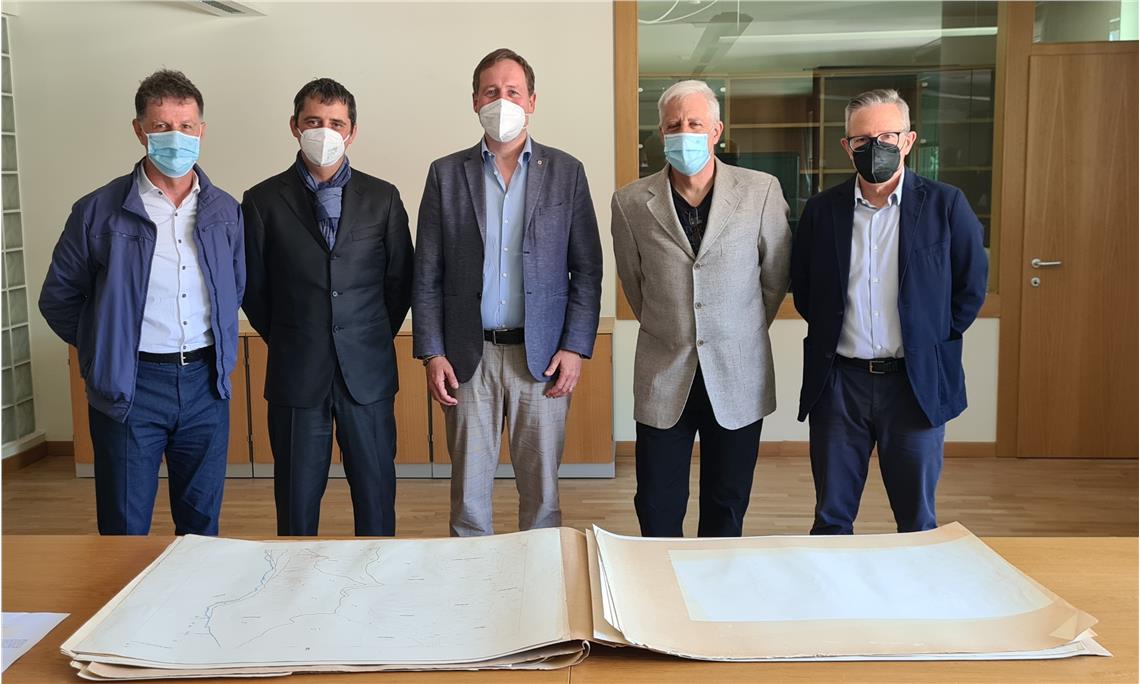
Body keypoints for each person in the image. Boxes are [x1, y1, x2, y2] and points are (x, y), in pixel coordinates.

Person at [39, 69, 244, 535]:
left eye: (186, 126)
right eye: (161, 126)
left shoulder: (224, 210)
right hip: (131, 386)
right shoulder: (96, 211)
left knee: (201, 529)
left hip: (206, 385)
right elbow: (58, 297)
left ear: (201, 130)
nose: (176, 137)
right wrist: (104, 347)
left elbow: (235, 286)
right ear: (139, 130)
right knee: (124, 529)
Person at [412, 48, 603, 537]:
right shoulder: (445, 174)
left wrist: (575, 347)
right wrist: (432, 351)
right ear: (475, 100)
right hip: (466, 357)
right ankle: (471, 580)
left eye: (513, 92)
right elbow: (427, 272)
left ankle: (539, 579)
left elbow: (587, 270)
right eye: (491, 91)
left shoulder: (566, 172)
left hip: (541, 359)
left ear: (532, 101)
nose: (502, 101)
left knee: (542, 498)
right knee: (468, 501)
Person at [791, 88, 988, 535]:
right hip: (840, 384)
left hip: (914, 383)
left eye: (886, 137)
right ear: (847, 147)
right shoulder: (821, 212)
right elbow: (805, 290)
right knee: (831, 517)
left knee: (917, 520)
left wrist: (928, 339)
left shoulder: (945, 205)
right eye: (862, 140)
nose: (874, 147)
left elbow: (970, 287)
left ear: (908, 140)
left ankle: (914, 583)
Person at [611, 79, 791, 538]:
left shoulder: (760, 191)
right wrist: (674, 324)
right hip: (664, 371)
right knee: (656, 505)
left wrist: (734, 327)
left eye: (695, 123)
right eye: (674, 125)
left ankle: (717, 581)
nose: (684, 132)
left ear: (716, 131)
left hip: (737, 371)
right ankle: (659, 581)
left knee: (726, 505)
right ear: (661, 133)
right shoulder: (630, 202)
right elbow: (635, 284)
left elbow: (774, 279)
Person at [242, 78, 413, 537]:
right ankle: (294, 583)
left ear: (352, 131)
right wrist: (292, 335)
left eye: (336, 123)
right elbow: (253, 289)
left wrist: (366, 334)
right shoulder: (261, 201)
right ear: (295, 126)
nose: (325, 131)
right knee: (296, 505)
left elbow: (399, 282)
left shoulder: (383, 198)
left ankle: (376, 580)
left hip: (367, 373)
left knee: (376, 499)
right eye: (314, 121)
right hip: (297, 373)